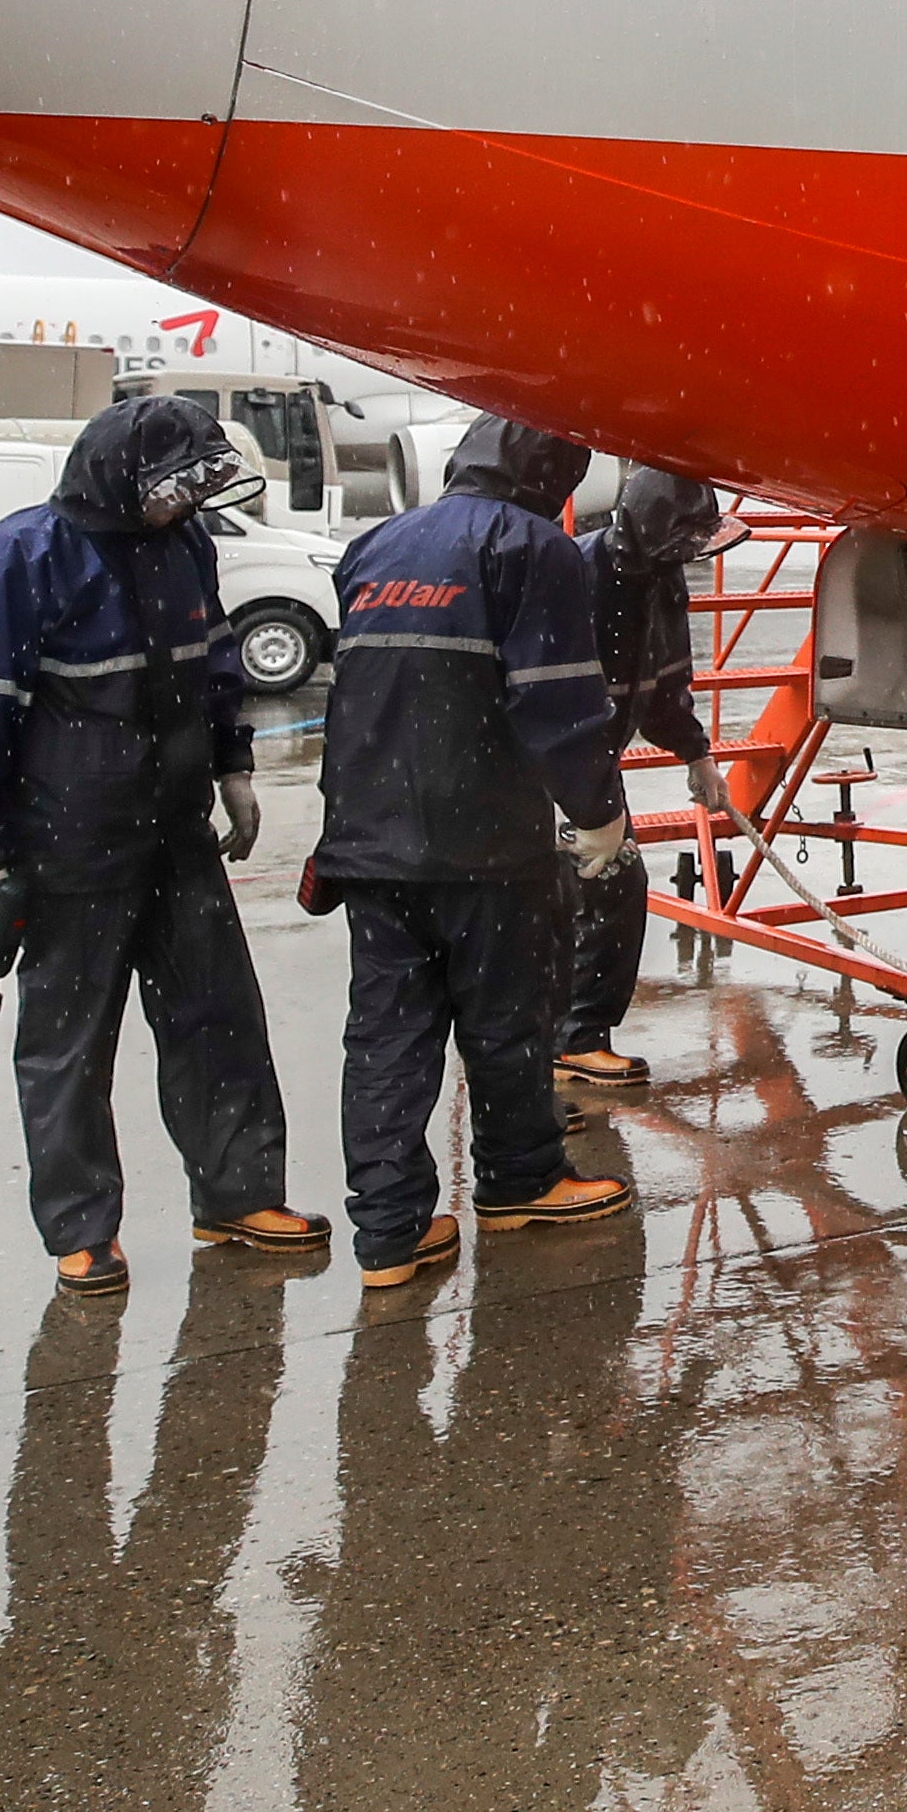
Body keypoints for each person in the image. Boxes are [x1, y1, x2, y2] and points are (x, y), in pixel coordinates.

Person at [0, 390, 315, 1292]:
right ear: (121, 475)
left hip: (176, 834)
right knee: (69, 1044)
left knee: (218, 1020)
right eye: (174, 485)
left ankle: (238, 1198)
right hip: (68, 843)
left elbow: (214, 664)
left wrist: (233, 765)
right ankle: (82, 1229)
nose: (186, 502)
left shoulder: (184, 546)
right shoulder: (23, 555)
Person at [310, 416, 633, 1289]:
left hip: (371, 846)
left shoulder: (375, 546)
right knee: (507, 1025)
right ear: (553, 475)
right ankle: (520, 1181)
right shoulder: (535, 550)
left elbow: (360, 698)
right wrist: (598, 811)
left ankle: (387, 1234)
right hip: (483, 845)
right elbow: (557, 703)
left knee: (386, 1040)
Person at [555, 463, 723, 1088]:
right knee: (558, 896)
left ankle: (576, 1039)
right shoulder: (574, 575)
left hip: (595, 756)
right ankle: (551, 1044)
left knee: (615, 889)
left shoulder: (662, 579)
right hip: (546, 758)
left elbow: (666, 682)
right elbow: (546, 697)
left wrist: (696, 754)